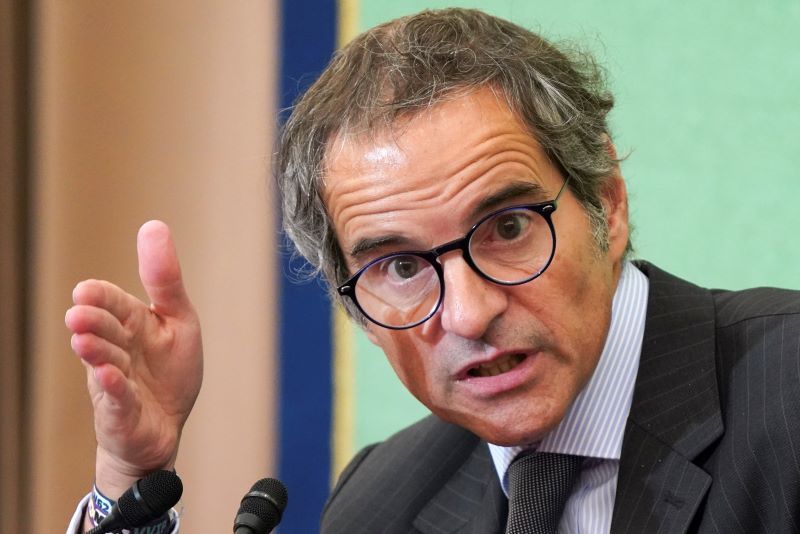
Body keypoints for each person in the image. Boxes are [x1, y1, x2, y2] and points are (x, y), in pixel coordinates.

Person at [67, 8, 800, 533]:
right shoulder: (382, 504)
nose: (470, 312)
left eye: (508, 228)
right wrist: (132, 485)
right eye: (401, 266)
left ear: (607, 200)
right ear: (356, 309)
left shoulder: (787, 394)